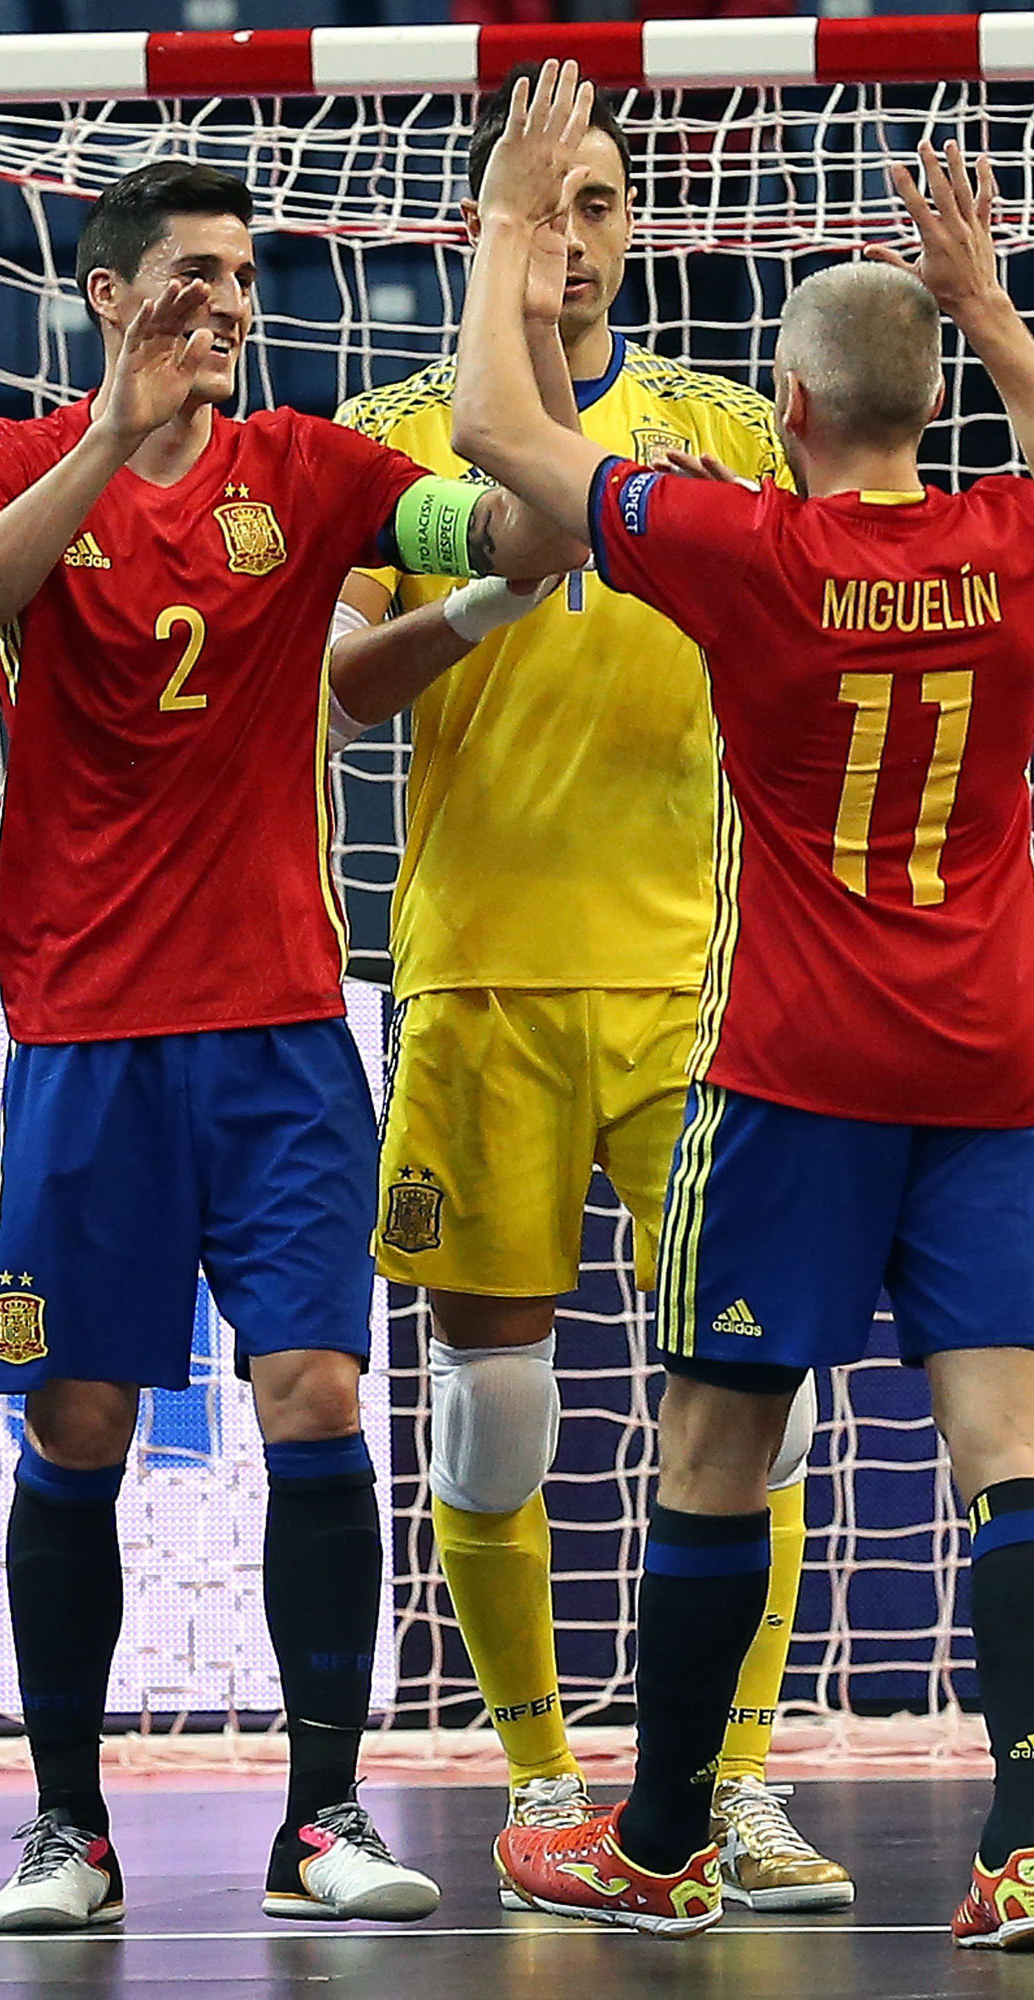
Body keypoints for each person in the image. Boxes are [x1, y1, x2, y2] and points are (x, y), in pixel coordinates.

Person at [451, 64, 1034, 1944]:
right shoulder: (1019, 554)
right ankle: (1022, 1849)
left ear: (791, 410)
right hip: (994, 1072)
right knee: (1008, 1453)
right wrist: (993, 309)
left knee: (714, 1446)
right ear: (923, 401)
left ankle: (659, 1838)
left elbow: (497, 430)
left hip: (795, 1073)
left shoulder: (755, 555)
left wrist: (517, 217)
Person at [0, 158, 581, 1934]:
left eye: (243, 275)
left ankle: (321, 1816)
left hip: (284, 1030)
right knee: (77, 1413)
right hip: (86, 1032)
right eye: (193, 274)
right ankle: (68, 1825)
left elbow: (517, 535)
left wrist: (514, 333)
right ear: (113, 293)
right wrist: (109, 434)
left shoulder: (314, 471)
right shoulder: (5, 457)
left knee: (316, 1396)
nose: (228, 300)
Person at [326, 65, 849, 1914]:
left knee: (751, 1394)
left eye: (603, 201)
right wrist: (481, 592)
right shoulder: (393, 431)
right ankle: (543, 1776)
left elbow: (854, 580)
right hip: (477, 979)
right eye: (543, 200)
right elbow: (345, 688)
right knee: (492, 1406)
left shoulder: (719, 422)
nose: (574, 233)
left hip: (701, 988)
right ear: (488, 225)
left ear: (636, 229)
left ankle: (726, 1782)